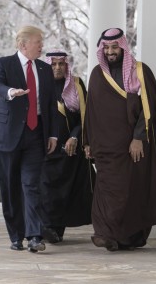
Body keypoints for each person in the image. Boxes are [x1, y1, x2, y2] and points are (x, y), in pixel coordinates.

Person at [83, 28, 156, 251]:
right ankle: (105, 234)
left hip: (133, 146)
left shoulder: (140, 71)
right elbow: (91, 112)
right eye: (107, 48)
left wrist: (138, 138)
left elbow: (149, 108)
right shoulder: (97, 74)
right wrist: (87, 141)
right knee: (107, 190)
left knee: (131, 192)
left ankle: (126, 238)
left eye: (115, 47)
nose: (111, 52)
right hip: (105, 147)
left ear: (123, 47)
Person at [0, 25, 58, 253]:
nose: (42, 46)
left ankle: (34, 236)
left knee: (32, 186)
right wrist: (10, 92)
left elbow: (51, 105)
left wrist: (53, 133)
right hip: (8, 135)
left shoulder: (45, 70)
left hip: (36, 135)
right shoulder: (3, 63)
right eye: (38, 42)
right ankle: (16, 236)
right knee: (10, 187)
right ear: (23, 44)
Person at [39, 49, 96, 244]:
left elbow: (86, 116)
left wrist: (75, 137)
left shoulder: (76, 85)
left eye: (60, 64)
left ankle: (56, 230)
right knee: (46, 191)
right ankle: (45, 227)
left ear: (66, 65)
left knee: (65, 192)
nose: (57, 68)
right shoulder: (40, 85)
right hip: (46, 149)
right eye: (53, 64)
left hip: (70, 150)